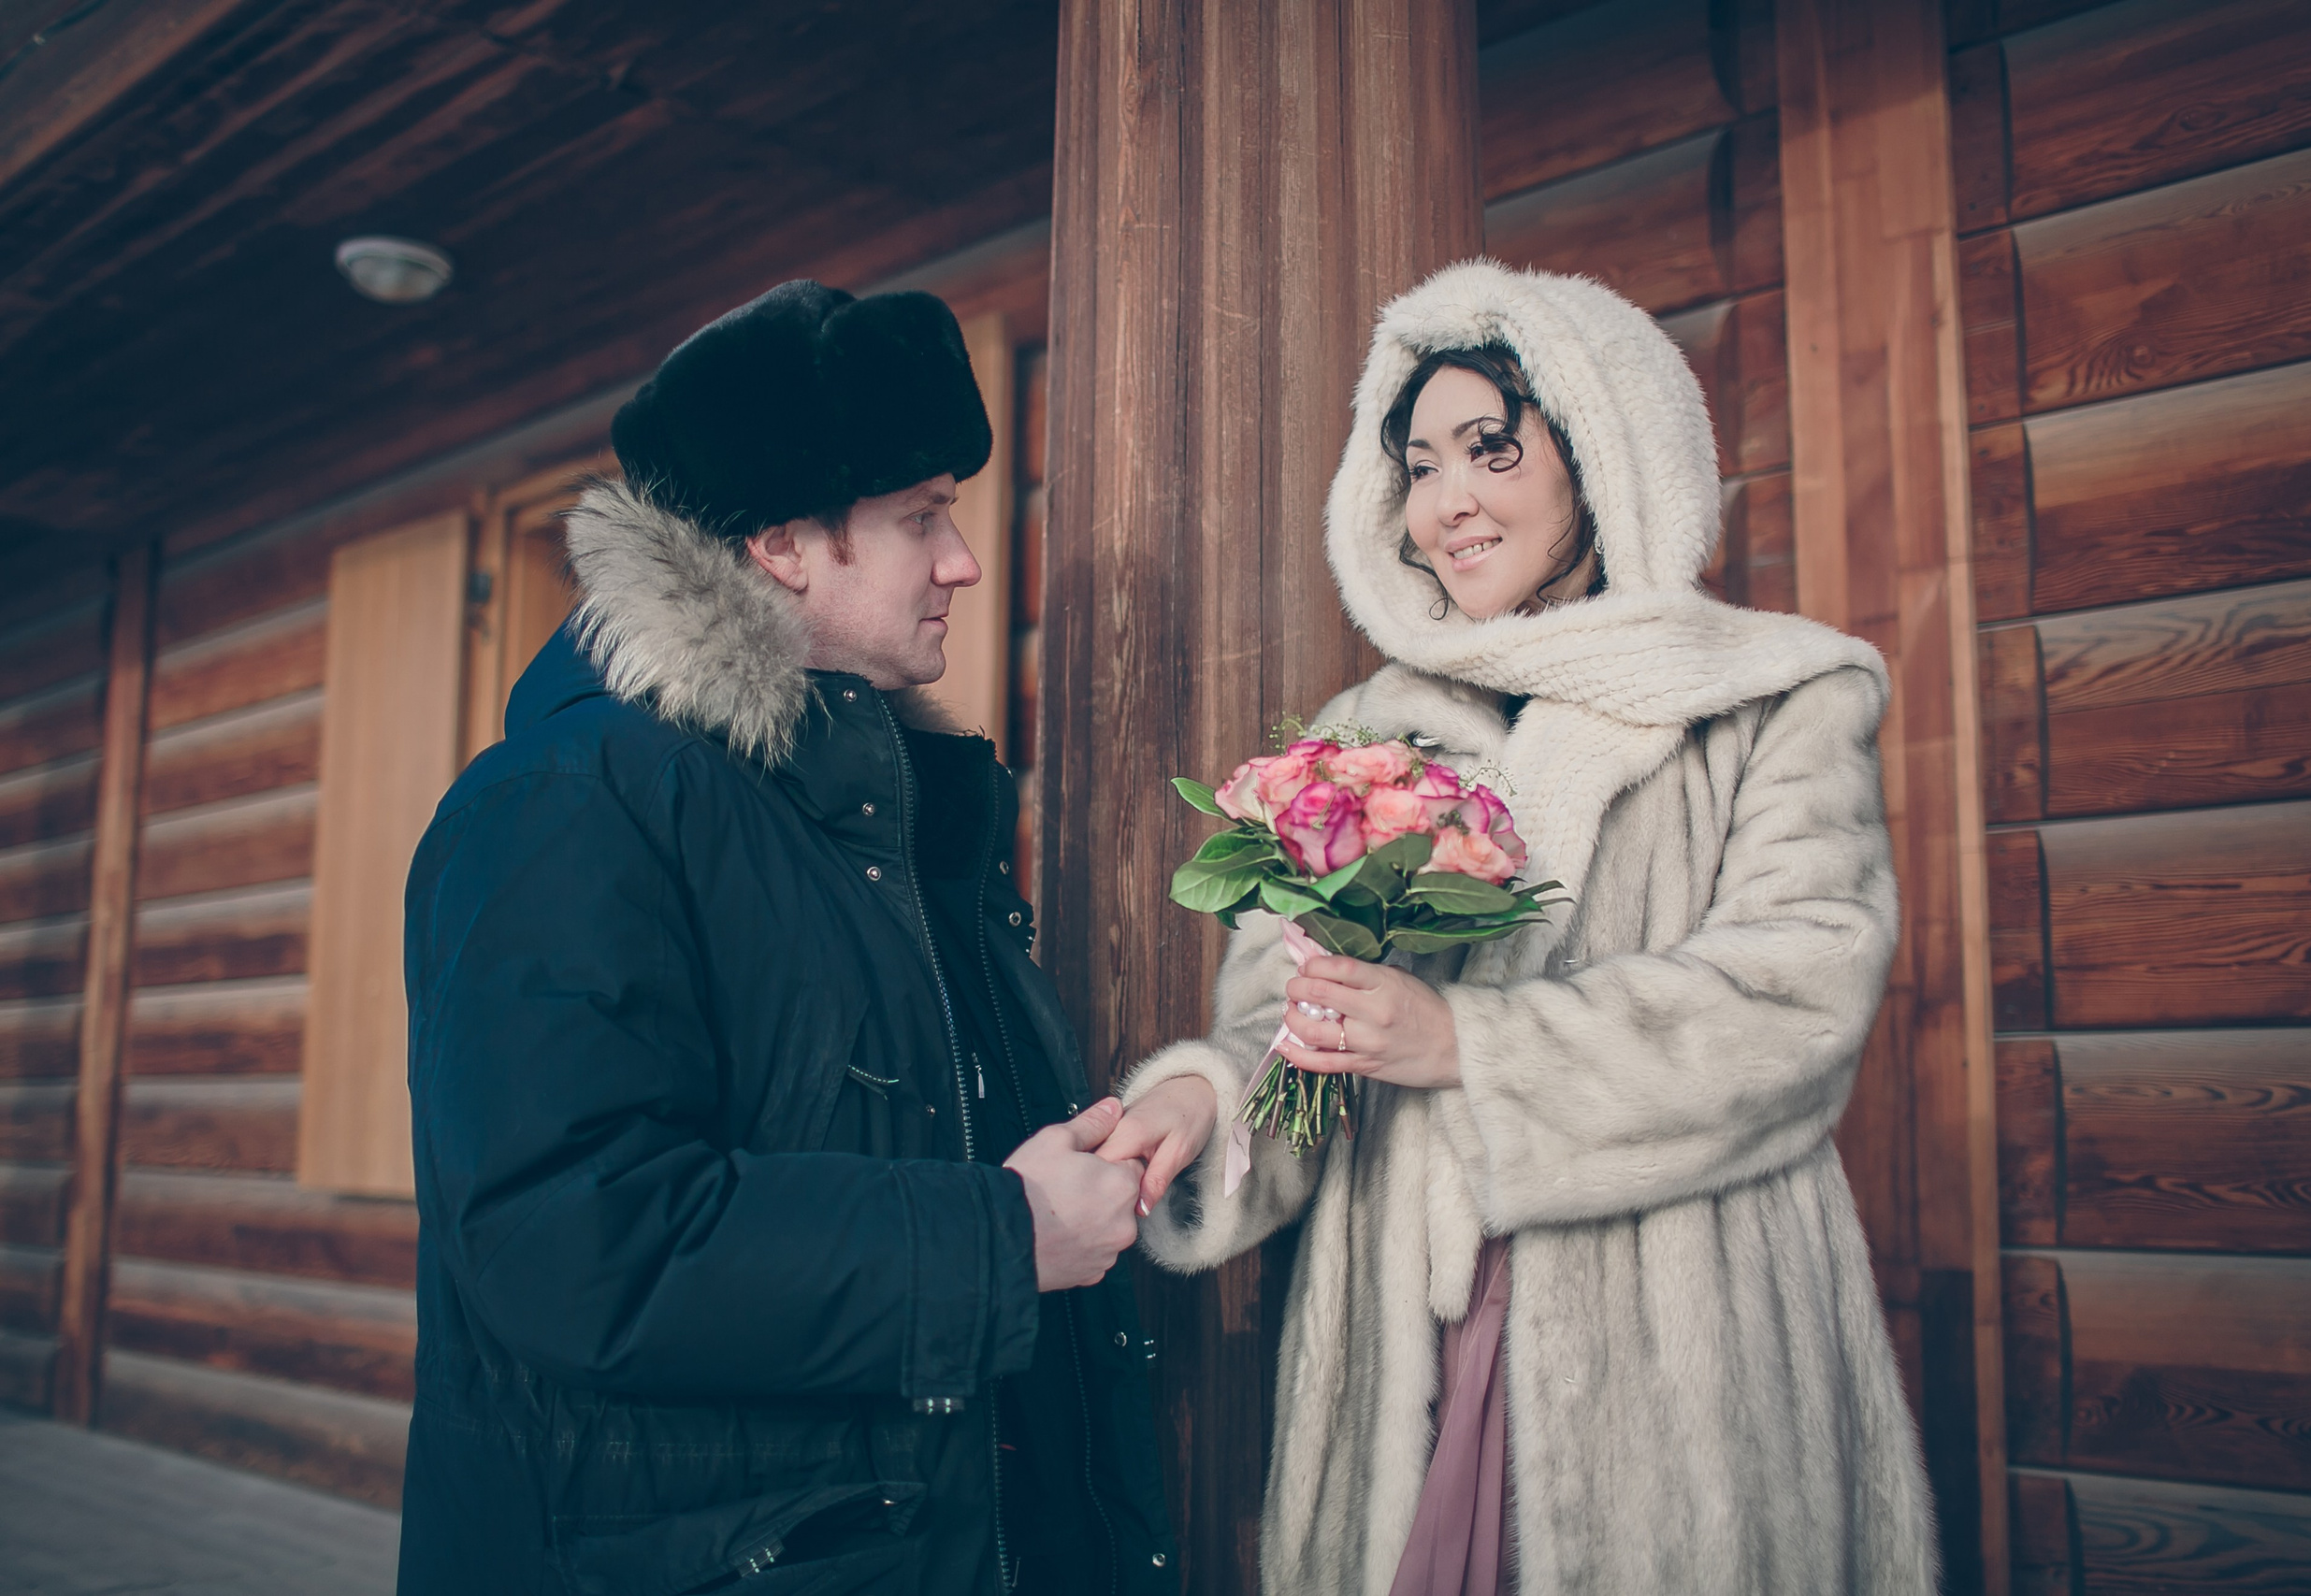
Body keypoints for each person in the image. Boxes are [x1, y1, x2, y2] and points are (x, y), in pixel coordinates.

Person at [1096, 261, 1939, 1594]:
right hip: (1406, 1343)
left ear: (1606, 458)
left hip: (1678, 1343)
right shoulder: (1368, 736)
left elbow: (1798, 995)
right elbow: (1287, 1022)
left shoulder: (1774, 698)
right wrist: (1211, 1101)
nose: (1448, 505)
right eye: (1419, 464)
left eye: (1494, 450)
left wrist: (1469, 1047)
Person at [398, 280, 1175, 1595]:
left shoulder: (872, 811)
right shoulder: (566, 805)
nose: (963, 562)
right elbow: (572, 1244)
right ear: (779, 545)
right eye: (921, 517)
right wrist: (1004, 1235)